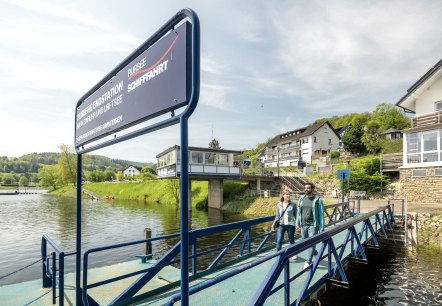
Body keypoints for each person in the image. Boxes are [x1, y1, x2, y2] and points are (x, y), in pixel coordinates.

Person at [295, 183, 325, 269]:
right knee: (305, 242)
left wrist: (322, 227)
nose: (306, 190)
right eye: (305, 188)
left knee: (311, 243)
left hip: (313, 225)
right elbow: (298, 212)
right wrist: (297, 224)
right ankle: (315, 253)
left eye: (308, 188)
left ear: (312, 189)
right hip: (303, 224)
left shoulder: (318, 200)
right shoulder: (301, 198)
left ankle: (308, 261)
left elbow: (321, 214)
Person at [272, 190, 297, 257]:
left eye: (289, 194)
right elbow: (277, 216)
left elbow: (296, 215)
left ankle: (293, 253)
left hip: (290, 225)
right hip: (281, 225)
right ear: (283, 195)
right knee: (279, 240)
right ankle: (279, 254)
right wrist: (273, 225)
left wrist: (297, 225)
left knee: (291, 240)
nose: (288, 196)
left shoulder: (293, 204)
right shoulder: (279, 204)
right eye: (287, 194)